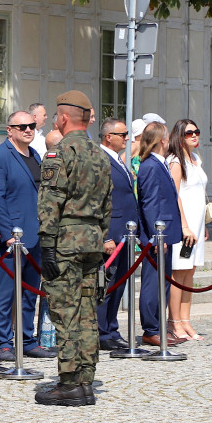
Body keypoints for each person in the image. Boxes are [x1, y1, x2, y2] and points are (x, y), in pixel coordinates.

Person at [35, 90, 113, 406]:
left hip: (65, 245)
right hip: (92, 243)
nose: (55, 120)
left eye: (56, 116)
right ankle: (85, 381)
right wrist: (97, 236)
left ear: (64, 118)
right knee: (86, 314)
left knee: (65, 313)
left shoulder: (59, 153)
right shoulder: (100, 155)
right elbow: (108, 206)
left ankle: (69, 383)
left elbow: (50, 203)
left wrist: (47, 246)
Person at [0, 111, 54, 360]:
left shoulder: (35, 155)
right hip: (14, 237)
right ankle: (3, 341)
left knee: (30, 291)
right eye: (22, 126)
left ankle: (27, 339)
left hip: (36, 234)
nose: (28, 129)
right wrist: (7, 233)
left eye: (32, 125)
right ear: (10, 130)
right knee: (5, 292)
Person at [135, 121, 185, 348]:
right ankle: (151, 329)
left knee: (162, 284)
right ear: (161, 140)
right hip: (158, 237)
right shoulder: (151, 166)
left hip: (167, 234)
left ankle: (158, 327)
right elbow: (151, 203)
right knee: (152, 284)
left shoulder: (160, 163)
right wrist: (157, 236)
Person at [96, 118, 139, 351]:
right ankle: (102, 332)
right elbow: (100, 200)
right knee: (107, 285)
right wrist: (105, 236)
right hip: (112, 233)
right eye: (122, 134)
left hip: (125, 234)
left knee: (118, 284)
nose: (126, 138)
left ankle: (111, 329)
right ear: (108, 137)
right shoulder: (101, 160)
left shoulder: (119, 160)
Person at [167, 119, 208, 341]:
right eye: (188, 133)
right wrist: (183, 226)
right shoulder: (175, 161)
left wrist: (203, 227)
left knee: (189, 273)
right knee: (178, 273)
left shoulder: (195, 159)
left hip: (197, 225)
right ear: (179, 136)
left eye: (196, 131)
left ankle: (186, 320)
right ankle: (174, 322)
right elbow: (175, 195)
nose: (194, 135)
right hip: (184, 227)